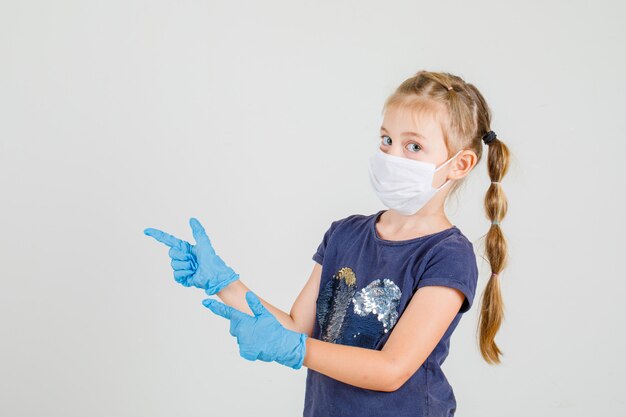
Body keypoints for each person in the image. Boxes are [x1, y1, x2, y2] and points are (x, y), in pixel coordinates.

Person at [144, 69, 511, 416]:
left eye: (413, 146)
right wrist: (223, 282)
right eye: (387, 140)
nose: (391, 156)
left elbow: (392, 369)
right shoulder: (344, 234)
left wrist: (298, 351)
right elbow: (295, 328)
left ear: (460, 164)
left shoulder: (447, 255)